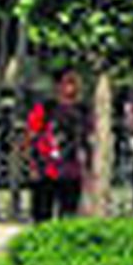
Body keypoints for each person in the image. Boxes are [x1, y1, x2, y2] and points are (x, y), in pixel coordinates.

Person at [24, 67, 92, 221]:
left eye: (75, 83)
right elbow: (31, 135)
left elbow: (86, 138)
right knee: (42, 214)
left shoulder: (82, 110)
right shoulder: (46, 108)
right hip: (46, 169)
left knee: (68, 213)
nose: (72, 87)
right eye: (68, 82)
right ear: (58, 86)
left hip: (71, 169)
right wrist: (32, 164)